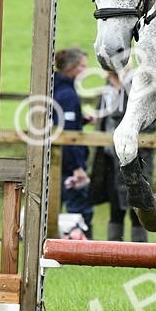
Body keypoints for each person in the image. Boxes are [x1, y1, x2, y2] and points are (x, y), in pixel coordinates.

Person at [90, 70, 153, 243]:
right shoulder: (108, 89)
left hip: (136, 157)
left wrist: (119, 87)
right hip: (110, 158)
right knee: (115, 204)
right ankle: (113, 248)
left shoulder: (135, 88)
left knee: (138, 203)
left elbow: (125, 115)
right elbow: (104, 116)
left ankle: (140, 249)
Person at [52, 47, 93, 238]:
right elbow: (67, 134)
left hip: (55, 163)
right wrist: (77, 167)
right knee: (79, 213)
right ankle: (82, 252)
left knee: (52, 209)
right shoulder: (68, 94)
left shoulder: (55, 89)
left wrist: (80, 119)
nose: (86, 70)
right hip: (68, 166)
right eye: (83, 66)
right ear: (70, 67)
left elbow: (57, 121)